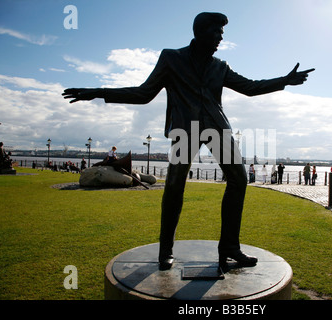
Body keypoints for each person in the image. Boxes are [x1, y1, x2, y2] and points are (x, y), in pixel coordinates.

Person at [62, 12, 315, 271]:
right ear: (200, 32)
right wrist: (98, 92)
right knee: (174, 186)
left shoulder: (220, 66)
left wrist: (284, 80)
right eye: (216, 32)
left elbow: (249, 87)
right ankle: (166, 250)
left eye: (222, 33)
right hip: (186, 129)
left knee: (239, 179)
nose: (220, 38)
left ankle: (229, 246)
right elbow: (143, 93)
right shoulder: (172, 58)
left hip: (217, 128)